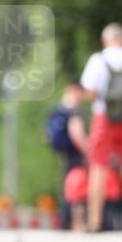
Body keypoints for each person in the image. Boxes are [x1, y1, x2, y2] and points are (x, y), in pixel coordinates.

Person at [80, 23, 122, 231]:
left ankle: (94, 221)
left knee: (98, 168)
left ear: (104, 41)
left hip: (103, 119)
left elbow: (90, 92)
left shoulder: (98, 60)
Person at [45, 82, 87, 230]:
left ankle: (65, 219)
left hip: (63, 154)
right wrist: (87, 150)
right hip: (75, 154)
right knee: (78, 188)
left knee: (66, 186)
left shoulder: (57, 109)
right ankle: (74, 222)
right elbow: (77, 134)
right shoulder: (73, 111)